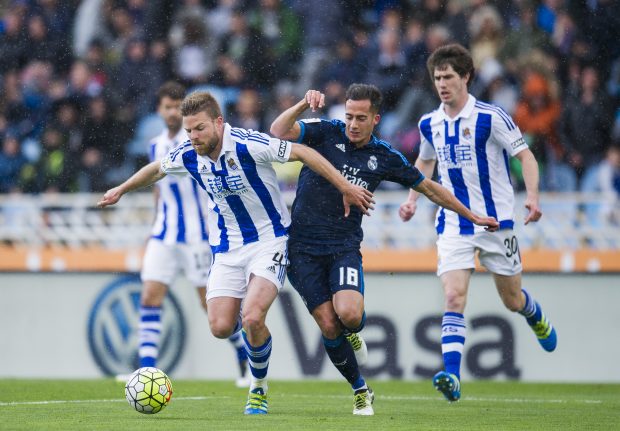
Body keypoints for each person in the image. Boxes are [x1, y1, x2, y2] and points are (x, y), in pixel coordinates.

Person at [98, 90, 373, 415]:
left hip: (269, 241)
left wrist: (344, 185)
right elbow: (156, 169)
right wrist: (121, 190)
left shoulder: (248, 143)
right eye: (188, 131)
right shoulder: (188, 154)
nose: (193, 137)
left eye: (199, 129)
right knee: (220, 326)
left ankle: (257, 388)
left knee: (253, 316)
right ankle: (268, 354)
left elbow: (301, 152)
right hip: (227, 248)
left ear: (218, 121)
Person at [270, 83, 499, 416]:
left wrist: (472, 215)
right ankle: (360, 389)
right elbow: (278, 131)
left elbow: (430, 189)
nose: (352, 124)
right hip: (302, 248)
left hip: (343, 247)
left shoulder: (384, 156)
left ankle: (354, 332)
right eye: (349, 116)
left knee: (348, 315)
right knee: (328, 324)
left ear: (375, 119)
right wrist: (303, 104)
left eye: (361, 118)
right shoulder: (326, 132)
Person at [398, 44, 557, 403]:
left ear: (466, 77)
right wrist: (411, 200)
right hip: (453, 223)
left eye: (449, 77)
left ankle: (533, 313)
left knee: (511, 300)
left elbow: (525, 155)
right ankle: (452, 376)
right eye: (437, 78)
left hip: (496, 224)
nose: (442, 84)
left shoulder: (491, 116)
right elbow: (424, 164)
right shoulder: (429, 123)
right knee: (453, 297)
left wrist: (532, 196)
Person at [120, 81, 249, 387]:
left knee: (212, 308)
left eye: (177, 107)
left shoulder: (196, 142)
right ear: (159, 110)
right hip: (164, 234)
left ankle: (244, 359)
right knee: (150, 296)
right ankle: (146, 370)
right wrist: (153, 224)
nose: (172, 113)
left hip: (197, 236)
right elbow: (158, 189)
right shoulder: (155, 145)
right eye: (167, 107)